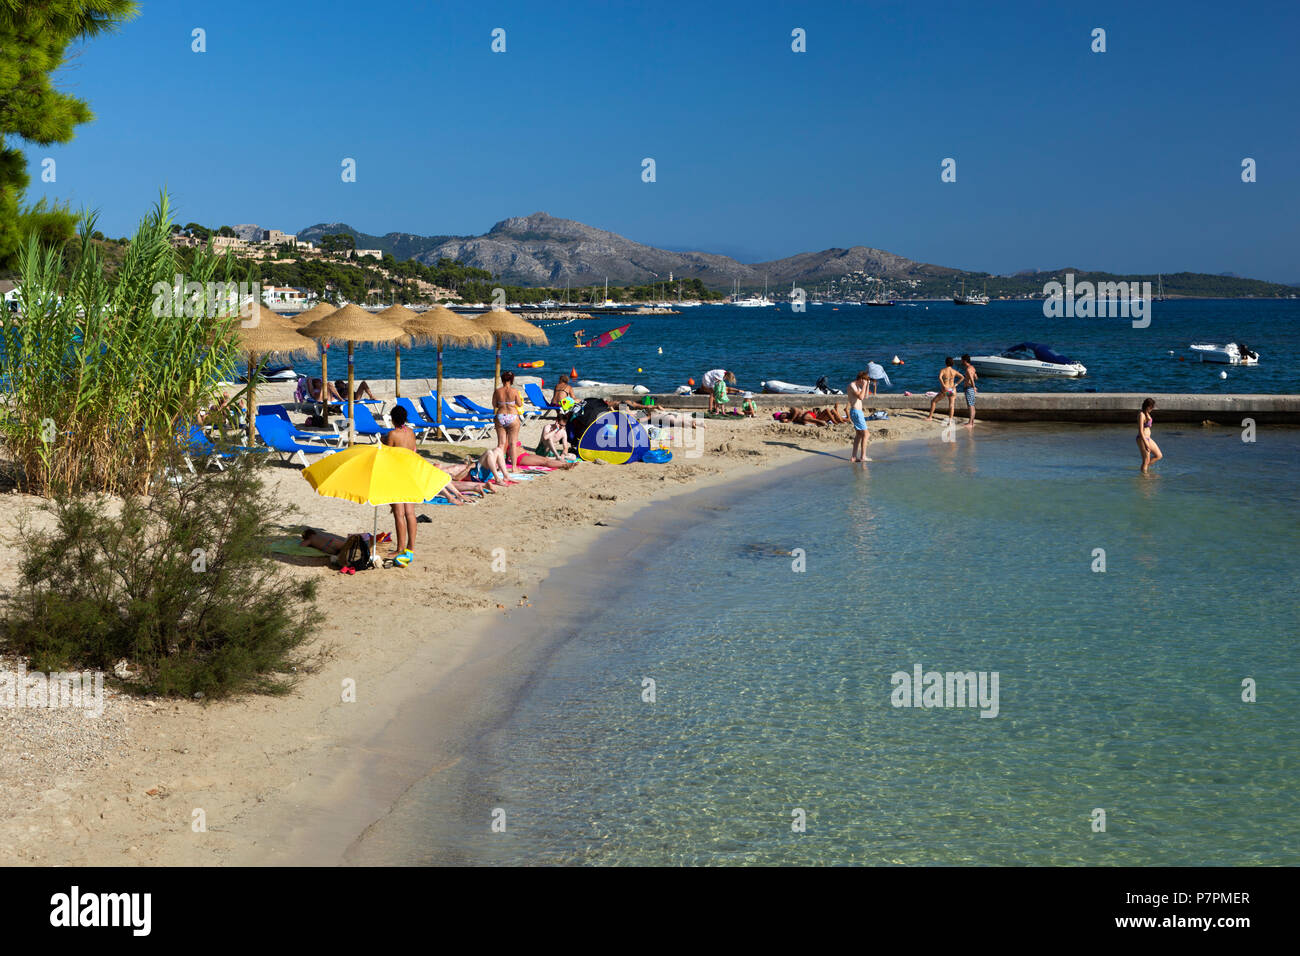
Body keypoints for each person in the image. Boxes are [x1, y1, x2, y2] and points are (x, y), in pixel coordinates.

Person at [381, 405, 418, 564]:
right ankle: (410, 547)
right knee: (410, 513)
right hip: (410, 474)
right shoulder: (411, 432)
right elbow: (414, 451)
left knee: (399, 513)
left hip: (397, 475)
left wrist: (383, 441)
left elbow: (387, 455)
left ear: (393, 418)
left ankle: (400, 547)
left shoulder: (392, 434)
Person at [493, 370, 524, 468]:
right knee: (512, 444)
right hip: (512, 416)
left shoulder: (498, 391)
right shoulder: (514, 391)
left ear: (502, 380)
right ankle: (514, 468)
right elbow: (519, 404)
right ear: (511, 380)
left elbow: (494, 405)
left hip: (501, 416)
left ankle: (499, 466)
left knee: (501, 444)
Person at [927, 357, 964, 422]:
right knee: (951, 405)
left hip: (946, 390)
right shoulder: (954, 371)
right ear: (952, 363)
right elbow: (962, 377)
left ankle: (930, 417)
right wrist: (956, 384)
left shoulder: (943, 370)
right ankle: (950, 421)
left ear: (946, 363)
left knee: (934, 401)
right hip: (952, 390)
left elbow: (940, 377)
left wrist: (943, 385)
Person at [846, 370, 871, 462]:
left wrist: (867, 385)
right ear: (860, 379)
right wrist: (864, 385)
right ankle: (863, 457)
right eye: (864, 381)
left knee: (859, 435)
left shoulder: (858, 387)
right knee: (866, 434)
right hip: (856, 412)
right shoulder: (852, 385)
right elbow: (860, 397)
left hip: (857, 412)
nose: (864, 383)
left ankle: (853, 457)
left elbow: (865, 397)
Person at [1137, 397, 1162, 473]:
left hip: (1148, 438)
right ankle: (1144, 478)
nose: (1152, 409)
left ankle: (1144, 470)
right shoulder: (1141, 415)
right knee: (1146, 460)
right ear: (1148, 407)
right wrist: (1146, 443)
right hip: (1142, 438)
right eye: (1151, 407)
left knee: (1159, 455)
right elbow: (1141, 431)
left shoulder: (1147, 413)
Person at [960, 354, 978, 427]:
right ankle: (971, 422)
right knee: (972, 405)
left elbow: (972, 378)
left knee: (970, 406)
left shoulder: (968, 369)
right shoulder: (972, 368)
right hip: (970, 388)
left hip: (969, 388)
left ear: (965, 361)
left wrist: (973, 387)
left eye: (962, 360)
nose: (961, 362)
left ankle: (970, 423)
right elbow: (976, 377)